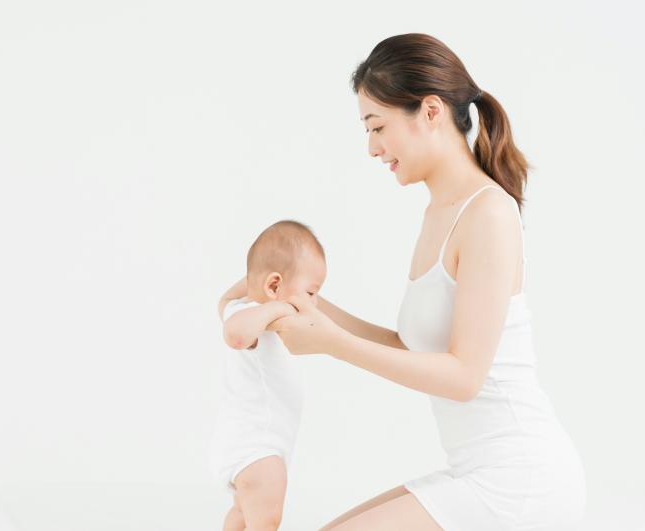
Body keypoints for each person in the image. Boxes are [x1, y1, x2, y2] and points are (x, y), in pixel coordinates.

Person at [220, 33, 588, 530]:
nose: (372, 147)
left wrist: (333, 344)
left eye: (378, 127)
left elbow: (464, 377)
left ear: (431, 112)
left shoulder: (489, 214)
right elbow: (411, 348)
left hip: (521, 482)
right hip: (475, 471)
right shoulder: (441, 212)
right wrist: (302, 303)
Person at [210, 220, 327, 531]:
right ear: (274, 287)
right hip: (258, 447)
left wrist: (257, 283)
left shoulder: (243, 308)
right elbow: (234, 334)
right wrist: (277, 308)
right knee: (266, 520)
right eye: (311, 292)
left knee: (243, 513)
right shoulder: (249, 317)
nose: (313, 303)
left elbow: (223, 301)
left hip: (253, 445)